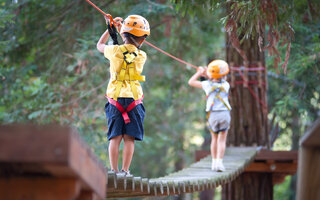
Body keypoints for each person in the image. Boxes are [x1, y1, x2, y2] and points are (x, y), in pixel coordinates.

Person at [96, 15, 150, 175]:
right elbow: (131, 46)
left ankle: (113, 169)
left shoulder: (114, 51)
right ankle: (125, 170)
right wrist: (120, 30)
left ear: (124, 34)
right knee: (129, 138)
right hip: (134, 100)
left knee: (115, 137)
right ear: (143, 40)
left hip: (116, 100)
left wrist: (110, 29)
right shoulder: (142, 56)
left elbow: (99, 45)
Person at [188, 60, 231, 172]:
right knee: (222, 140)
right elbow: (216, 76)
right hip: (224, 114)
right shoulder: (226, 85)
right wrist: (207, 72)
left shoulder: (206, 85)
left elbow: (191, 82)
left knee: (214, 139)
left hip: (212, 115)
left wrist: (199, 72)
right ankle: (220, 163)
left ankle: (214, 163)